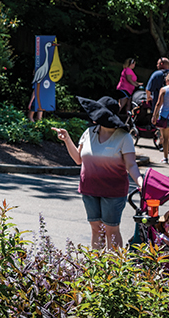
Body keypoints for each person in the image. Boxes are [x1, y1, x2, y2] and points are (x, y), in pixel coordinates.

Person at [52, 96, 143, 249]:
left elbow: (131, 165)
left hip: (113, 191)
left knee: (111, 231)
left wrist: (141, 183)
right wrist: (67, 139)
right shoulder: (89, 132)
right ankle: (97, 269)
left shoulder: (124, 137)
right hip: (89, 189)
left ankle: (115, 269)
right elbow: (78, 159)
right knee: (96, 230)